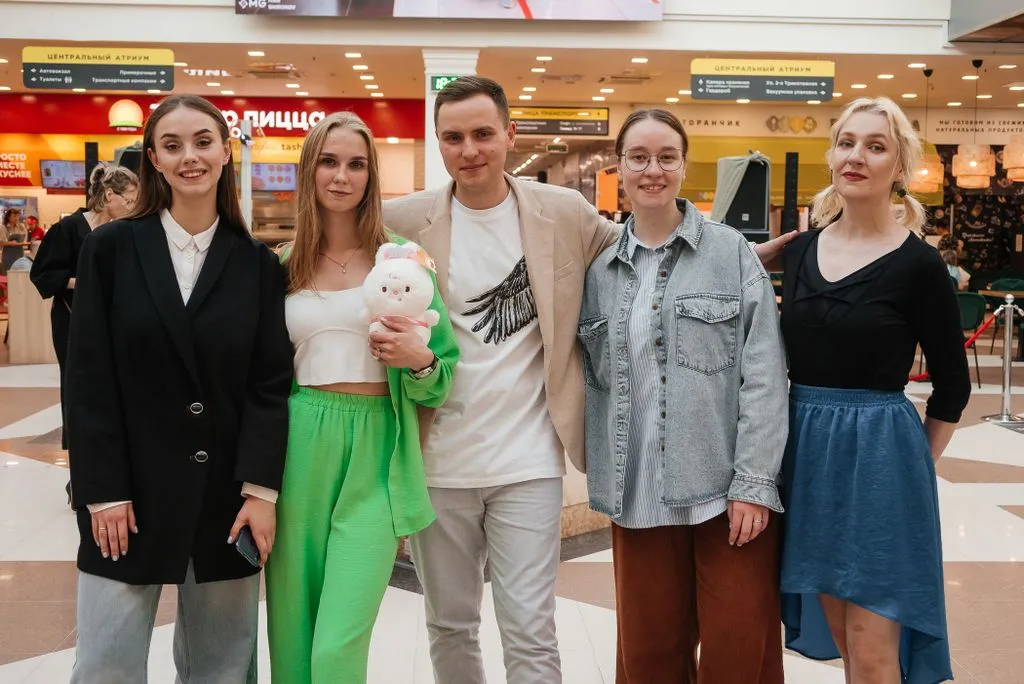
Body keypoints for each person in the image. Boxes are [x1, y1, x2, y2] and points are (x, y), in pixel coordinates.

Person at [383, 75, 796, 684]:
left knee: (724, 647)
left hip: (578, 466)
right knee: (468, 627)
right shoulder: (408, 220)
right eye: (454, 137)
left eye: (484, 133)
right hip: (499, 468)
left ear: (509, 135)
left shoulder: (567, 215)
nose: (470, 149)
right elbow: (336, 247)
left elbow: (757, 363)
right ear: (619, 168)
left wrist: (738, 259)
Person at [64, 94, 293, 683]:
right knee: (106, 666)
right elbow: (88, 379)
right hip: (126, 494)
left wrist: (261, 490)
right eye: (172, 145)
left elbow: (268, 386)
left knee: (222, 667)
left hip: (225, 498)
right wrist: (102, 492)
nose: (189, 156)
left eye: (202, 142)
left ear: (225, 153)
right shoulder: (110, 250)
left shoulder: (257, 265)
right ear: (154, 160)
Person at [579, 108, 789, 683]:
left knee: (739, 650)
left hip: (726, 493)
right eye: (639, 157)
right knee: (649, 656)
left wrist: (754, 483)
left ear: (683, 166)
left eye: (666, 157)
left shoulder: (729, 253)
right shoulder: (599, 271)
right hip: (637, 492)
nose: (653, 170)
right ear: (619, 167)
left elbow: (765, 376)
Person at [779, 97, 971, 684]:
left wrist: (911, 466)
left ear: (899, 167)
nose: (856, 156)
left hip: (882, 456)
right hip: (806, 454)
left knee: (872, 644)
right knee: (841, 631)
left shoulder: (919, 265)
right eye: (846, 143)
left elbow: (952, 385)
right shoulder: (801, 250)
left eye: (875, 146)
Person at [265, 112, 458, 684]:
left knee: (337, 646)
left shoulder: (403, 260)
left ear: (372, 175)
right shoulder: (283, 264)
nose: (341, 176)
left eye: (356, 164)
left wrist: (418, 359)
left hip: (379, 448)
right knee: (292, 634)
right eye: (328, 161)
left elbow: (441, 372)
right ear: (309, 169)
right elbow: (260, 375)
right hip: (298, 444)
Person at [31, 163, 138, 460]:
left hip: (115, 319)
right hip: (72, 318)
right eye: (129, 200)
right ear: (109, 195)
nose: (132, 206)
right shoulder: (68, 229)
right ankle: (79, 456)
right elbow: (42, 274)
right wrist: (83, 281)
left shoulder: (123, 232)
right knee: (77, 384)